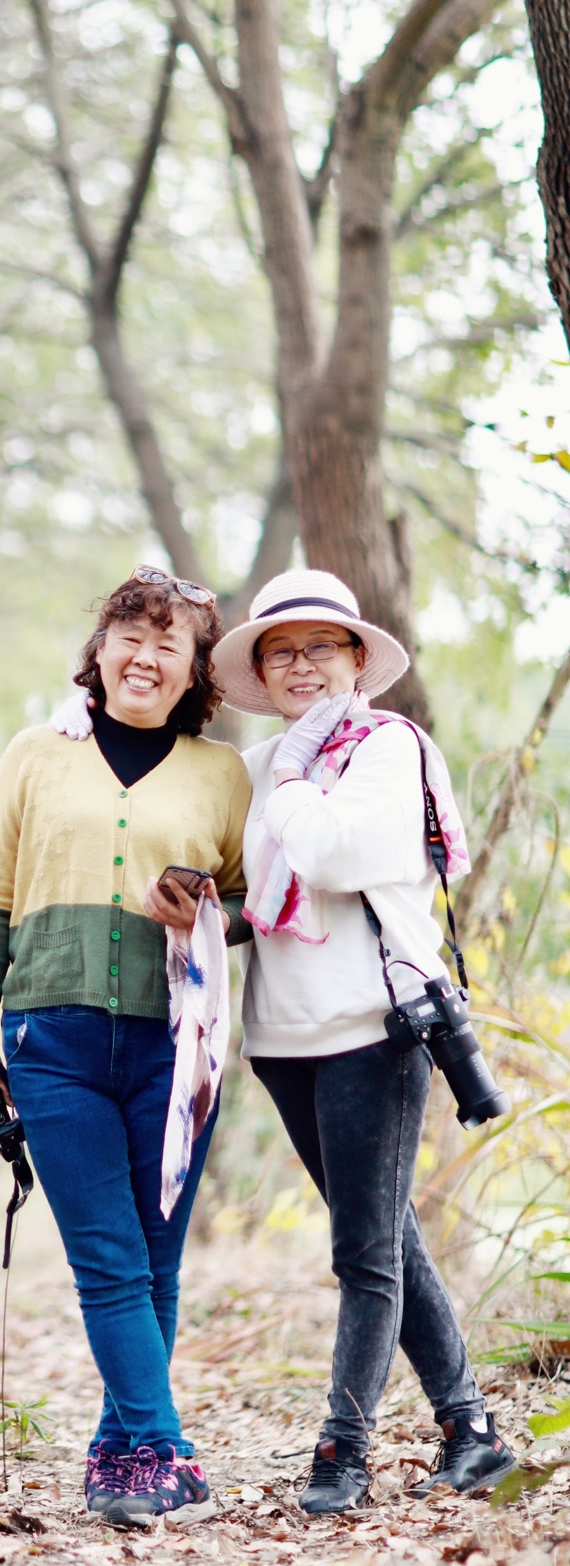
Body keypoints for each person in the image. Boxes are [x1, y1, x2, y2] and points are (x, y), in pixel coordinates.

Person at [213, 567, 519, 1512]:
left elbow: (334, 852)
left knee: (362, 1255)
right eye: (280, 651)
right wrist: (199, 902)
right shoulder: (258, 768)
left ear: (355, 659)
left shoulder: (388, 748)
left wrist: (298, 771)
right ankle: (470, 1430)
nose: (300, 666)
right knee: (384, 1234)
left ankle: (341, 1451)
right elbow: (253, 894)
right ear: (261, 670)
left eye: (318, 647)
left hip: (372, 1030)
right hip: (281, 1036)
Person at [0, 567, 252, 1525]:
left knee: (156, 1260)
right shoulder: (35, 756)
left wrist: (205, 913)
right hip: (54, 1041)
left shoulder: (221, 775)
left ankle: (121, 1451)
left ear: (194, 671)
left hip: (180, 1048)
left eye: (170, 644)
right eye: (131, 634)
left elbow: (253, 903)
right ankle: (165, 1448)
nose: (146, 655)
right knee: (108, 1261)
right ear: (100, 649)